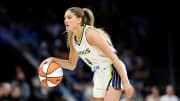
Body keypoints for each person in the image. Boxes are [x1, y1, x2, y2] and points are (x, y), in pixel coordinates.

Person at [39, 7, 134, 101]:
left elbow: (115, 58)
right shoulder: (72, 39)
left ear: (79, 20)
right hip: (98, 73)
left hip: (112, 70)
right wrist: (53, 59)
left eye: (69, 18)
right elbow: (71, 65)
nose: (65, 21)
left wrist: (126, 82)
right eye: (65, 18)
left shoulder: (90, 34)